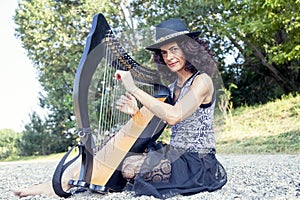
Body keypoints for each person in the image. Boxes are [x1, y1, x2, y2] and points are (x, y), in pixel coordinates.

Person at [13, 18, 227, 199]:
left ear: (188, 48)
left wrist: (134, 88)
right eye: (163, 52)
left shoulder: (202, 81)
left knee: (130, 167)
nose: (168, 57)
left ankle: (72, 180)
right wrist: (136, 111)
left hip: (196, 162)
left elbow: (174, 116)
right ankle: (63, 181)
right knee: (110, 140)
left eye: (174, 49)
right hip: (175, 153)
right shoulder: (171, 88)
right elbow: (159, 118)